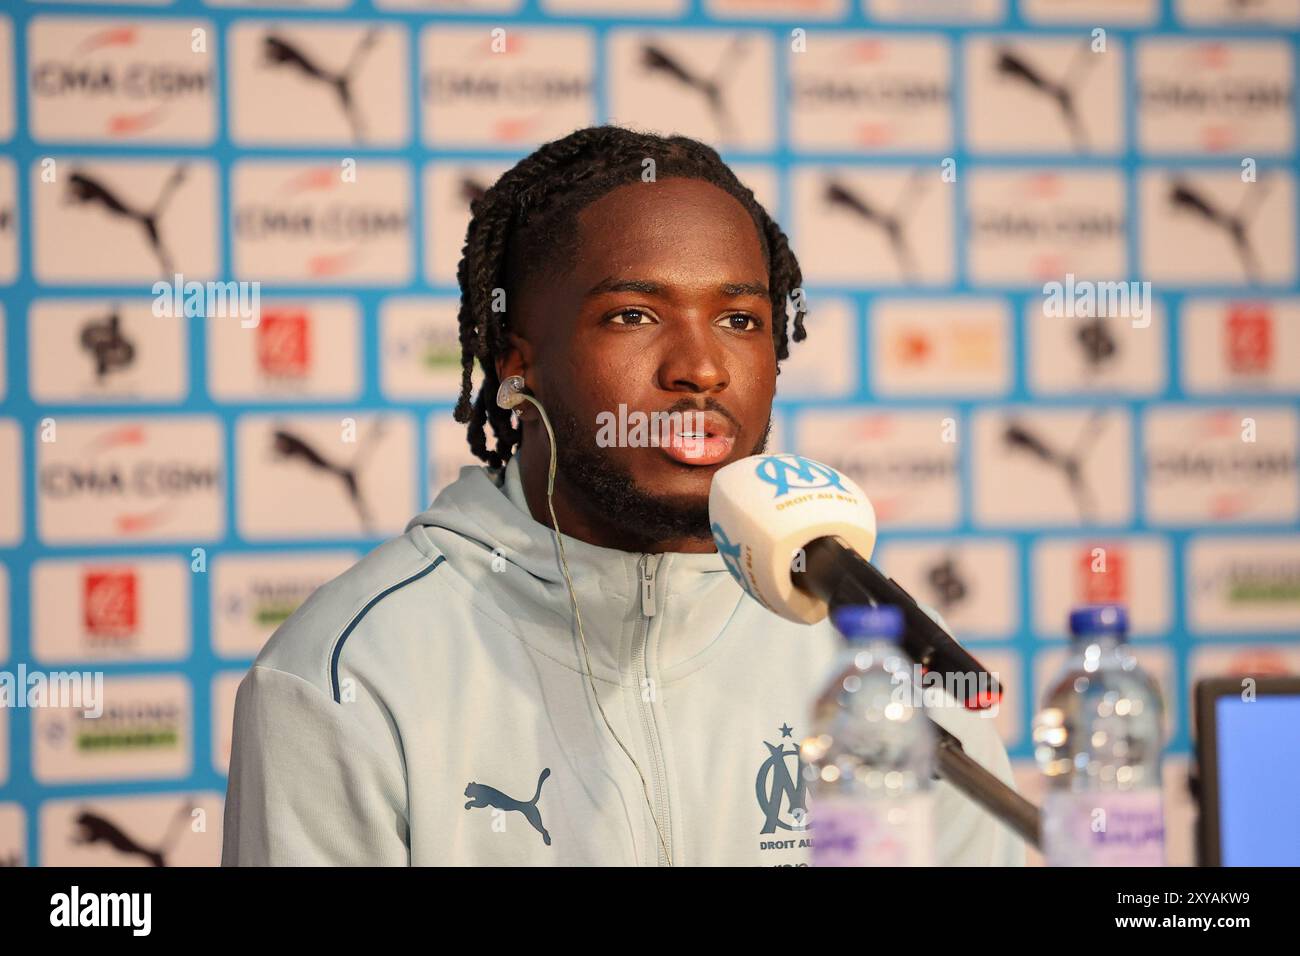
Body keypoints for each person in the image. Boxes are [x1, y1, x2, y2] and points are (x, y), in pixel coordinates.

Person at [222, 125, 1025, 866]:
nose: (701, 367)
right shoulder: (347, 674)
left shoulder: (883, 652)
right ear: (515, 360)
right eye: (634, 313)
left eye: (741, 319)